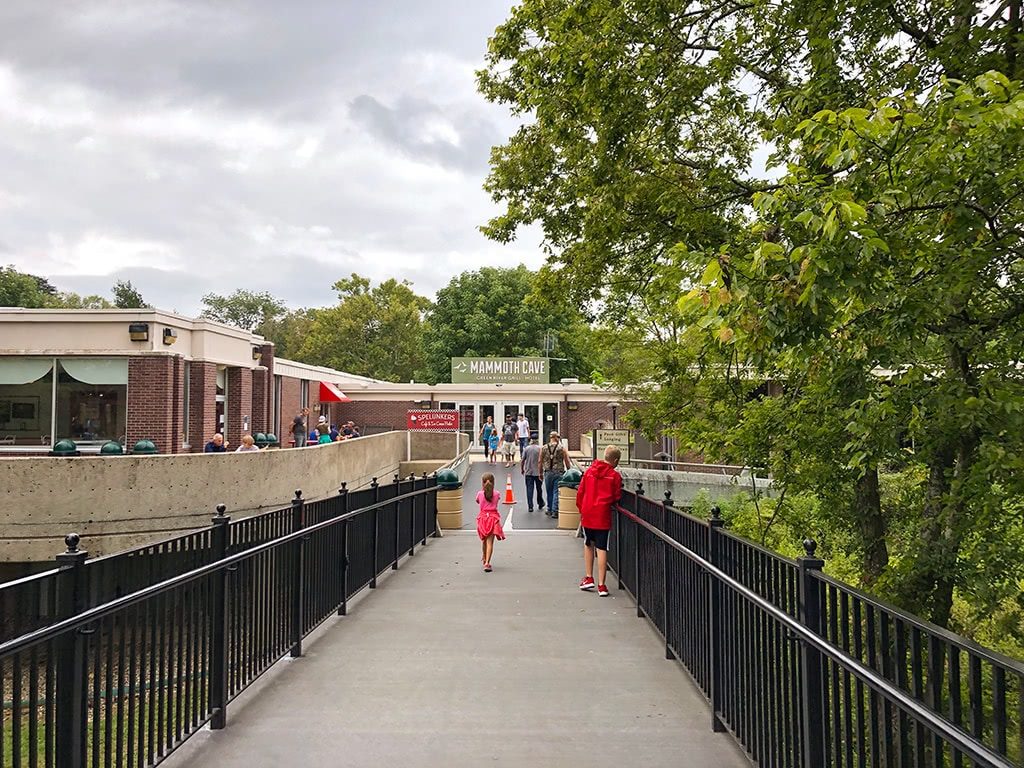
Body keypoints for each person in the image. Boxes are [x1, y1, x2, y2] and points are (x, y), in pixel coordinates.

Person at [576, 445, 622, 596]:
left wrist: (582, 509)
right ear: (615, 460)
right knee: (602, 548)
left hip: (588, 513)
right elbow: (616, 496)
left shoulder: (589, 472)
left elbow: (581, 493)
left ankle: (589, 577)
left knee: (588, 544)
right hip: (602, 515)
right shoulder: (614, 476)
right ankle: (602, 585)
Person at [476, 472, 505, 572]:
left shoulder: (480, 494)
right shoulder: (497, 494)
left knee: (483, 540)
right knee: (490, 542)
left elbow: (478, 501)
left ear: (482, 483)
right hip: (493, 519)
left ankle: (484, 558)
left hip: (483, 519)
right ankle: (487, 562)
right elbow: (496, 500)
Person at [539, 431, 571, 518]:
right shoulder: (562, 448)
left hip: (548, 472)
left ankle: (549, 509)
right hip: (559, 472)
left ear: (550, 438)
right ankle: (555, 511)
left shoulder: (544, 448)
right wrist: (569, 471)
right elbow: (567, 461)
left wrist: (540, 473)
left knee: (549, 491)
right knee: (556, 491)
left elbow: (540, 461)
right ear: (557, 438)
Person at [520, 436, 545, 513]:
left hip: (528, 472)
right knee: (539, 489)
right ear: (537, 440)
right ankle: (540, 502)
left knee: (529, 489)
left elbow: (522, 460)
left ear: (531, 441)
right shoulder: (540, 449)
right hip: (538, 472)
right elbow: (542, 460)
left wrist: (522, 469)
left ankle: (530, 506)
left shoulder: (527, 449)